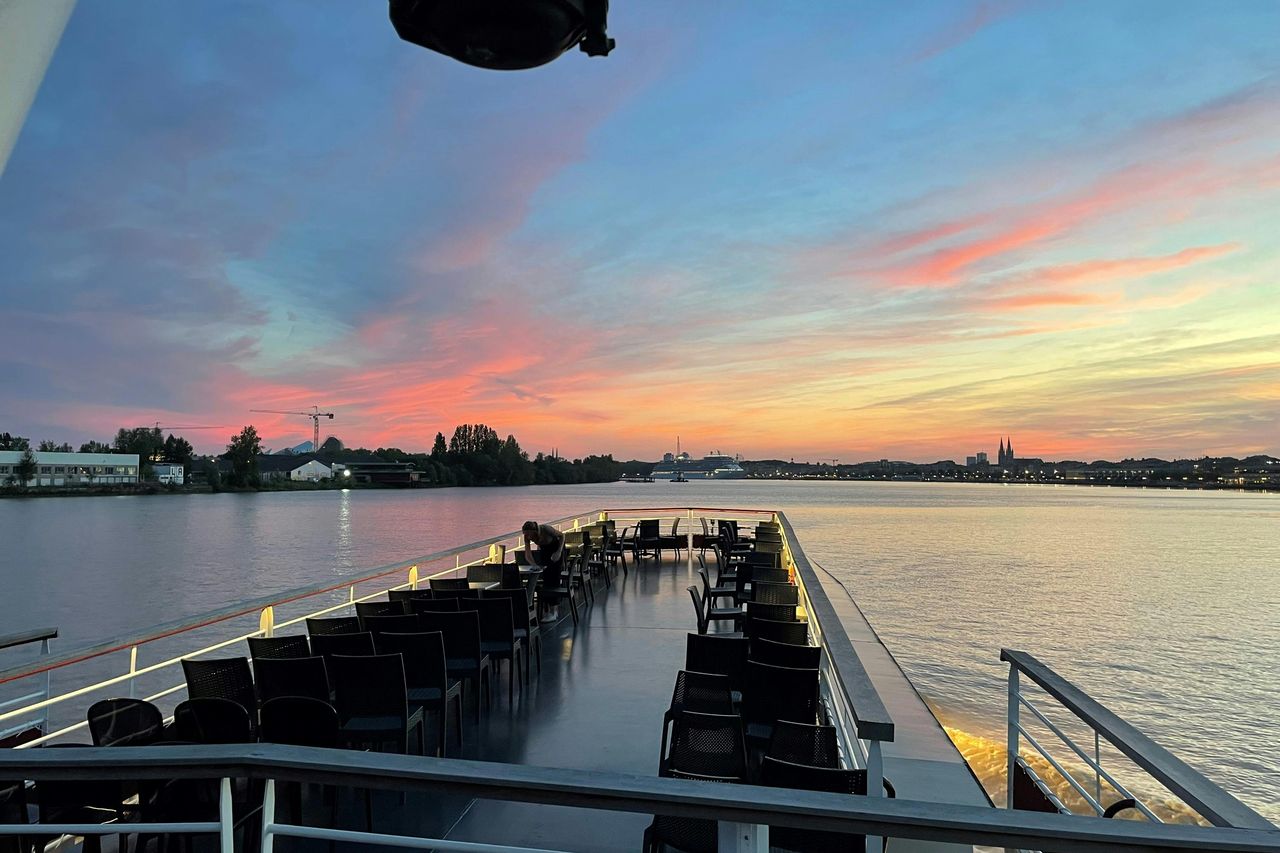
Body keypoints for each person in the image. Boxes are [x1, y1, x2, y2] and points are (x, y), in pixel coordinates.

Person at [523, 520, 565, 622]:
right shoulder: (526, 536)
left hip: (556, 548)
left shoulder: (546, 529)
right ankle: (548, 610)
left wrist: (558, 552)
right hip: (544, 551)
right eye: (526, 534)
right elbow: (528, 554)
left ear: (535, 531)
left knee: (554, 578)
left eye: (529, 534)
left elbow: (562, 536)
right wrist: (534, 565)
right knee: (546, 578)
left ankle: (554, 612)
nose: (528, 537)